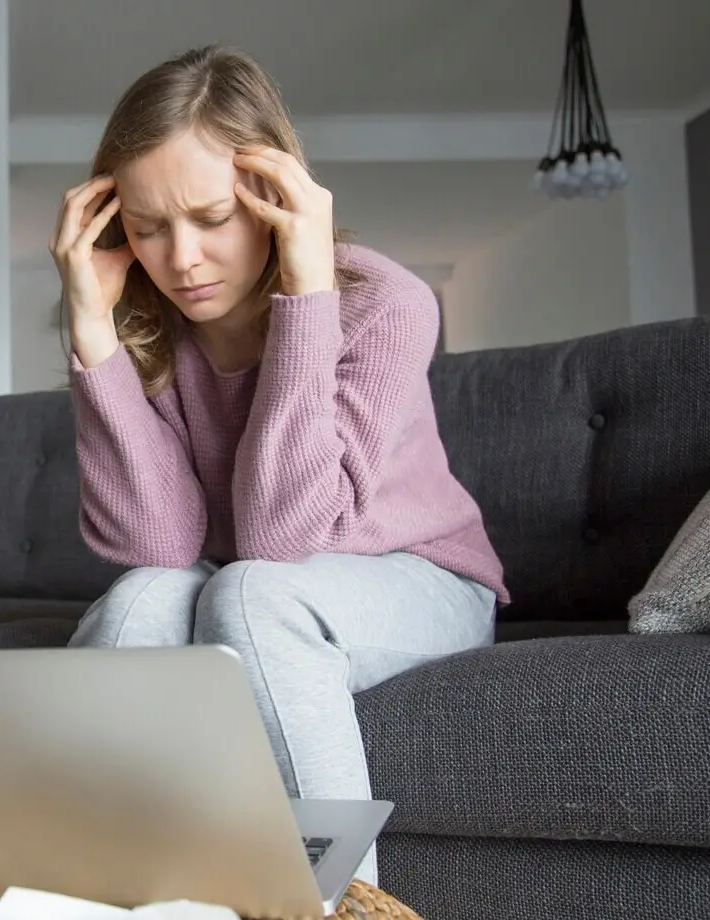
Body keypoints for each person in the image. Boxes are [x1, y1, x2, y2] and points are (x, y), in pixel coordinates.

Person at [48, 44, 510, 886]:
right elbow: (158, 541)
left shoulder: (389, 303)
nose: (181, 257)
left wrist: (306, 298)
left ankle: (339, 905)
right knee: (140, 601)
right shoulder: (144, 320)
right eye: (148, 227)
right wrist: (92, 332)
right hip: (265, 575)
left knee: (254, 595)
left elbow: (279, 534)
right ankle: (115, 893)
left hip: (417, 575)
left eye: (211, 218)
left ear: (273, 198)